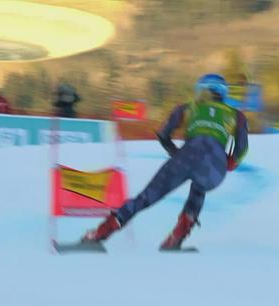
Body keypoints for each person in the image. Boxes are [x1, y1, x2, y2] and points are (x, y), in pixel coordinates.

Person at [80, 73, 249, 250]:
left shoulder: (188, 108)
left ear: (201, 92)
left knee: (146, 198)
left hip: (187, 156)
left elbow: (163, 134)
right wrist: (230, 162)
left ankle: (100, 233)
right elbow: (241, 149)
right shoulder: (236, 115)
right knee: (199, 187)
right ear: (223, 94)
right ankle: (177, 237)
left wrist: (174, 152)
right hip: (215, 168)